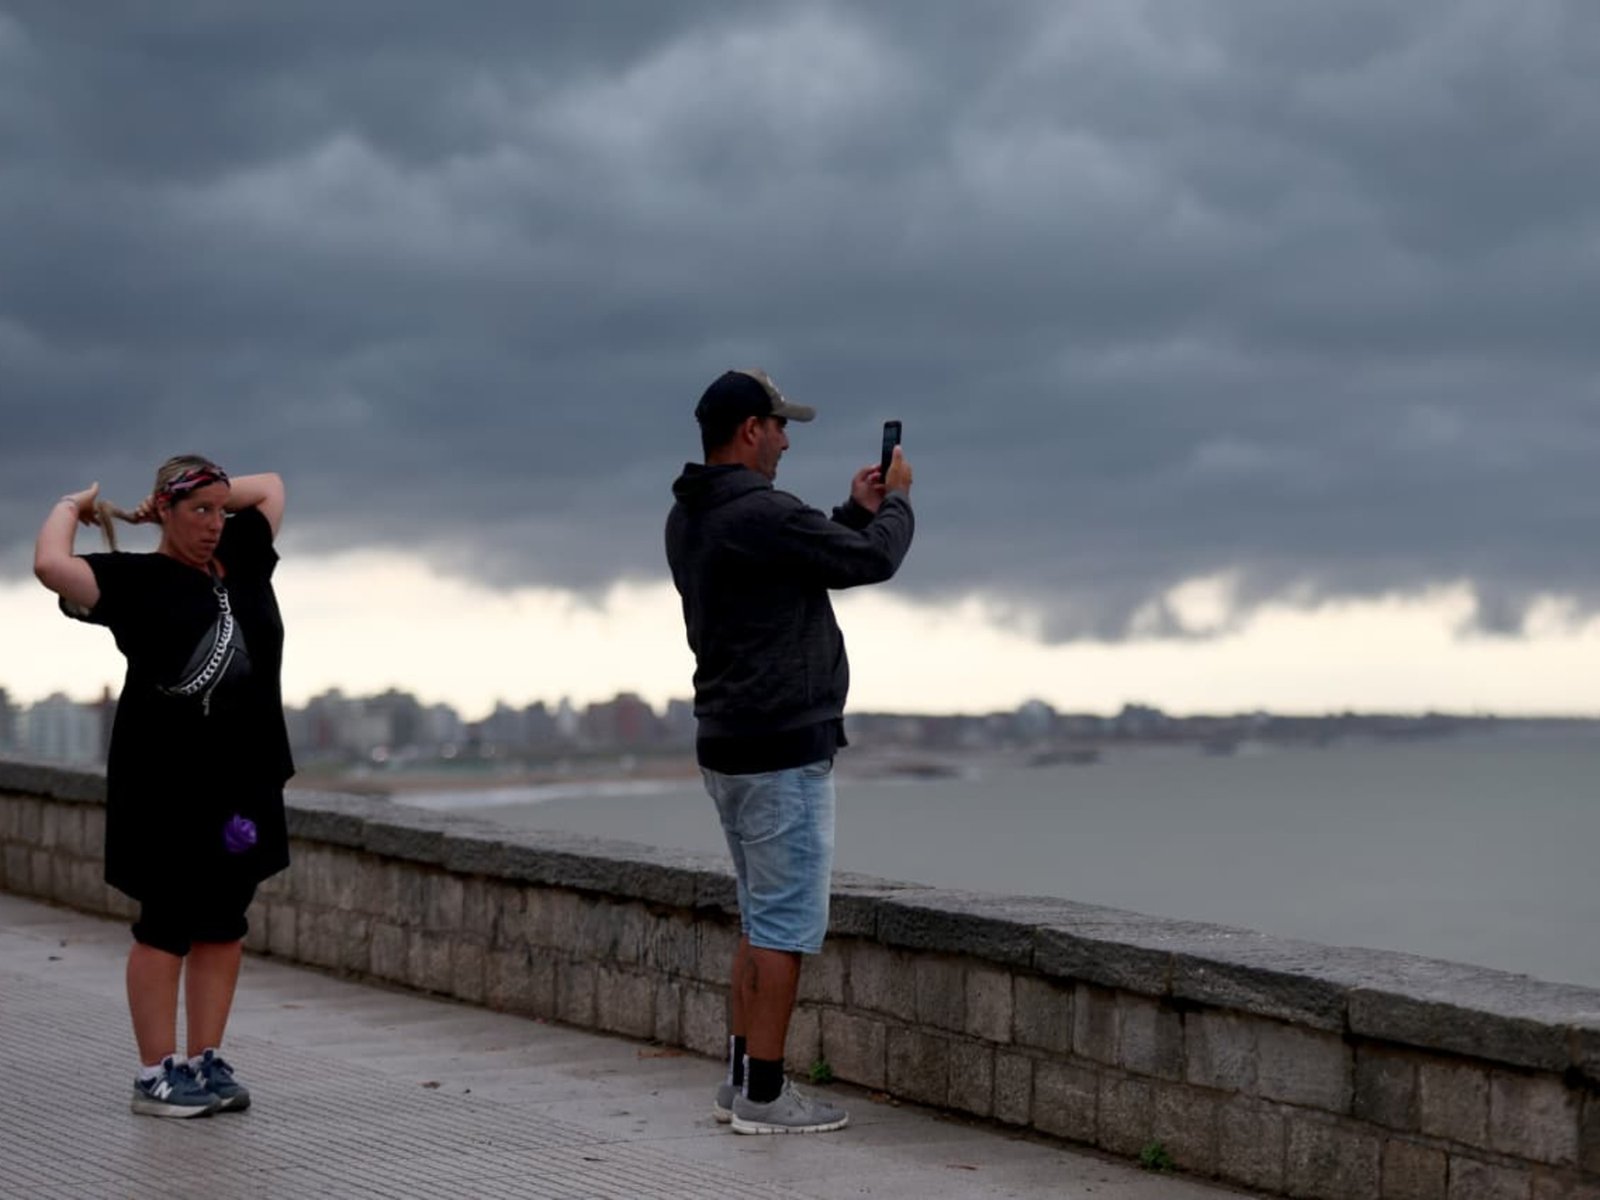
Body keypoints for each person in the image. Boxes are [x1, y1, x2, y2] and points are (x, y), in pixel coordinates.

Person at [665, 369, 915, 1134]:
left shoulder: (695, 515)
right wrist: (898, 501)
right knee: (782, 926)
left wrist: (854, 511)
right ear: (748, 430)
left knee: (757, 916)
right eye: (778, 427)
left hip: (730, 740)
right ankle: (767, 1098)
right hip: (780, 747)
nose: (783, 441)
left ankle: (742, 1078)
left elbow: (807, 558)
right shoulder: (760, 511)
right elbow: (869, 562)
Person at [33, 456, 294, 1118]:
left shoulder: (243, 555)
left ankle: (204, 1062)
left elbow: (272, 488)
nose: (213, 524)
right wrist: (73, 505)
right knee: (167, 925)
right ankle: (156, 1075)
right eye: (197, 511)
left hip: (245, 780)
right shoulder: (137, 581)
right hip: (166, 785)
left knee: (224, 925)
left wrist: (208, 492)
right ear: (163, 513)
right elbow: (50, 567)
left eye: (217, 510)